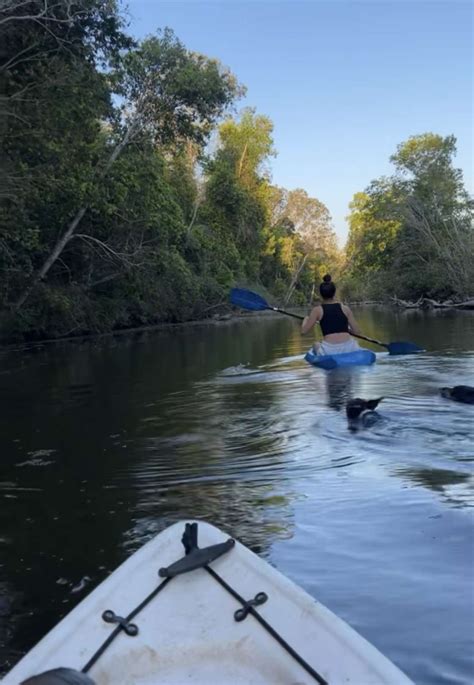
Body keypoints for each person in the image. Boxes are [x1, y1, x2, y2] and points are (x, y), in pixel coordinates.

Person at [301, 274, 362, 356]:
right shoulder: (345, 309)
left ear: (321, 294)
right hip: (350, 347)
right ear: (334, 293)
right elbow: (357, 332)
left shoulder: (317, 310)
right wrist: (347, 329)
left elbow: (303, 332)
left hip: (330, 350)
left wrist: (305, 320)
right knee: (354, 341)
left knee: (316, 344)